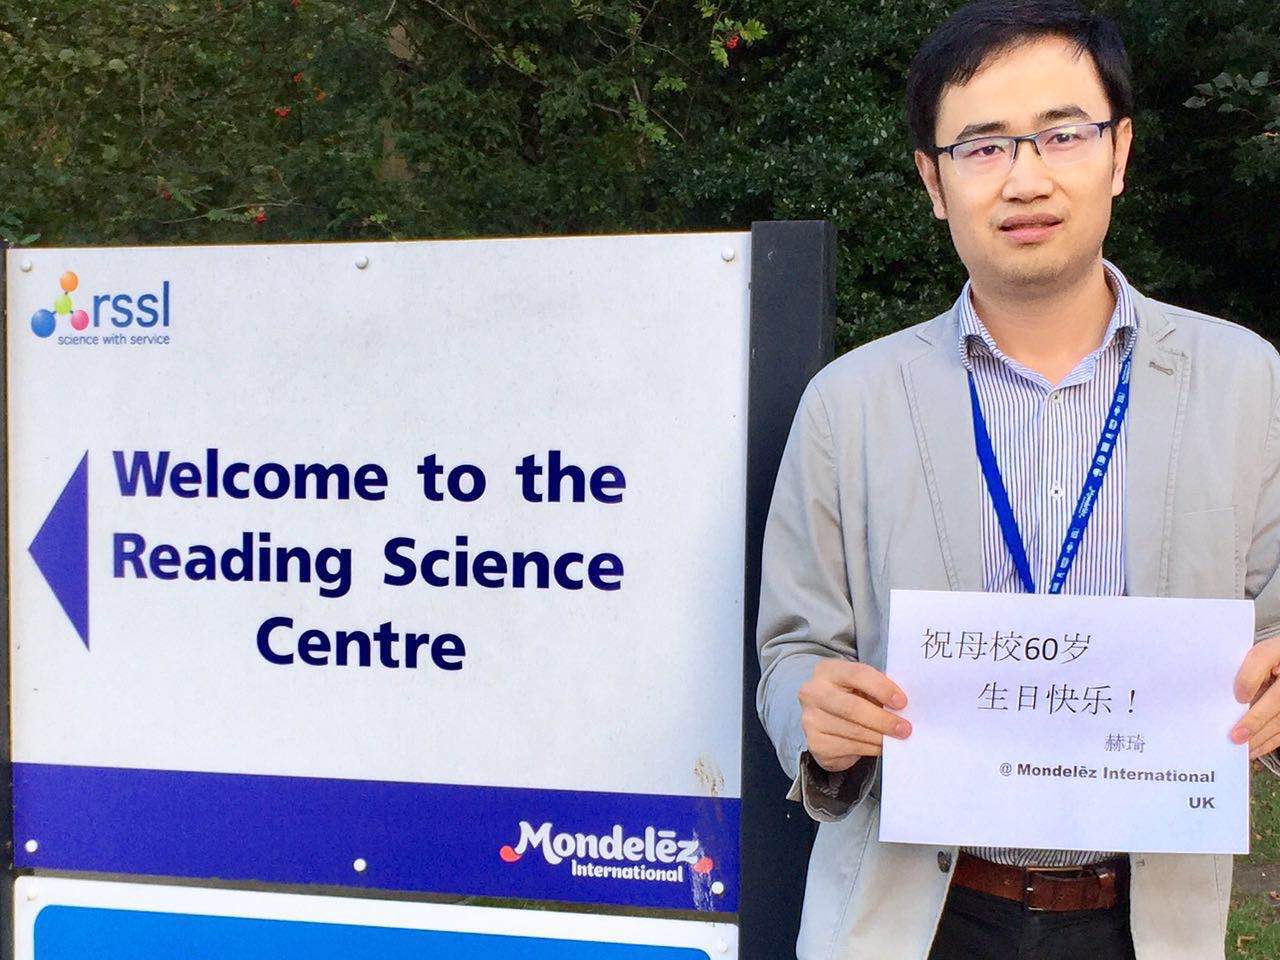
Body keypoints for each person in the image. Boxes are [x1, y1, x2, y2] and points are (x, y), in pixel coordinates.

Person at [754, 2, 1280, 958]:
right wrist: (813, 717)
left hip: (1146, 920)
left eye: (1063, 134)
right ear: (933, 180)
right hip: (912, 917)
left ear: (1120, 153)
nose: (1026, 177)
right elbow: (795, 649)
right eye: (984, 146)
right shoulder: (850, 403)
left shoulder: (1249, 384)